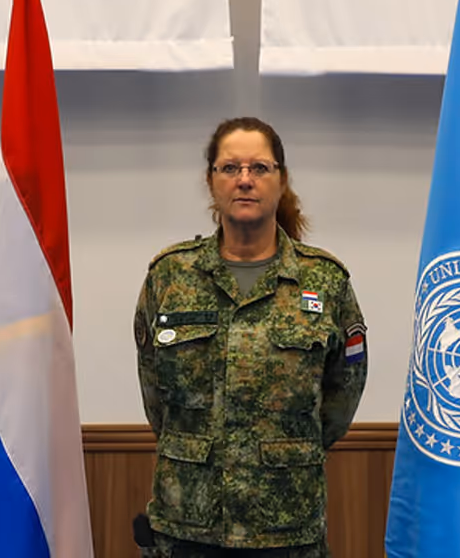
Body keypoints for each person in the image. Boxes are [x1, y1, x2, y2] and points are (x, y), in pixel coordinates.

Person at [133, 117, 368, 557]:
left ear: (281, 181)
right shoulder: (170, 275)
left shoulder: (325, 280)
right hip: (188, 524)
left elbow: (340, 398)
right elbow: (156, 397)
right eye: (230, 168)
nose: (245, 180)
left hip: (285, 525)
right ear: (211, 182)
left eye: (260, 168)